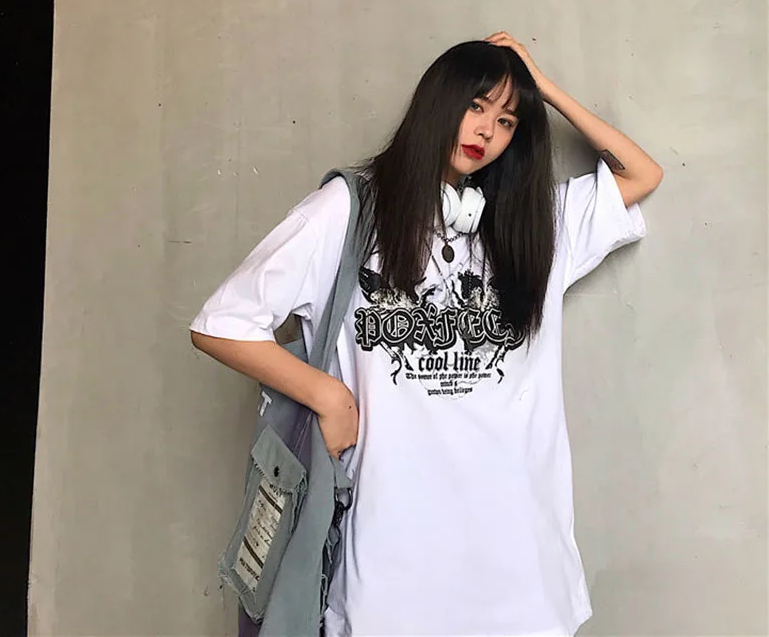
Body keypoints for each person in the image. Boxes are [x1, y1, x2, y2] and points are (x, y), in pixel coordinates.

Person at [189, 31, 663, 637]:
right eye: (475, 106)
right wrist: (326, 395)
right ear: (438, 102)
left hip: (520, 565)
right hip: (391, 566)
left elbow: (641, 173)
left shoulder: (533, 227)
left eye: (507, 121)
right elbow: (221, 323)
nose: (487, 131)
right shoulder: (350, 213)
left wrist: (539, 87)